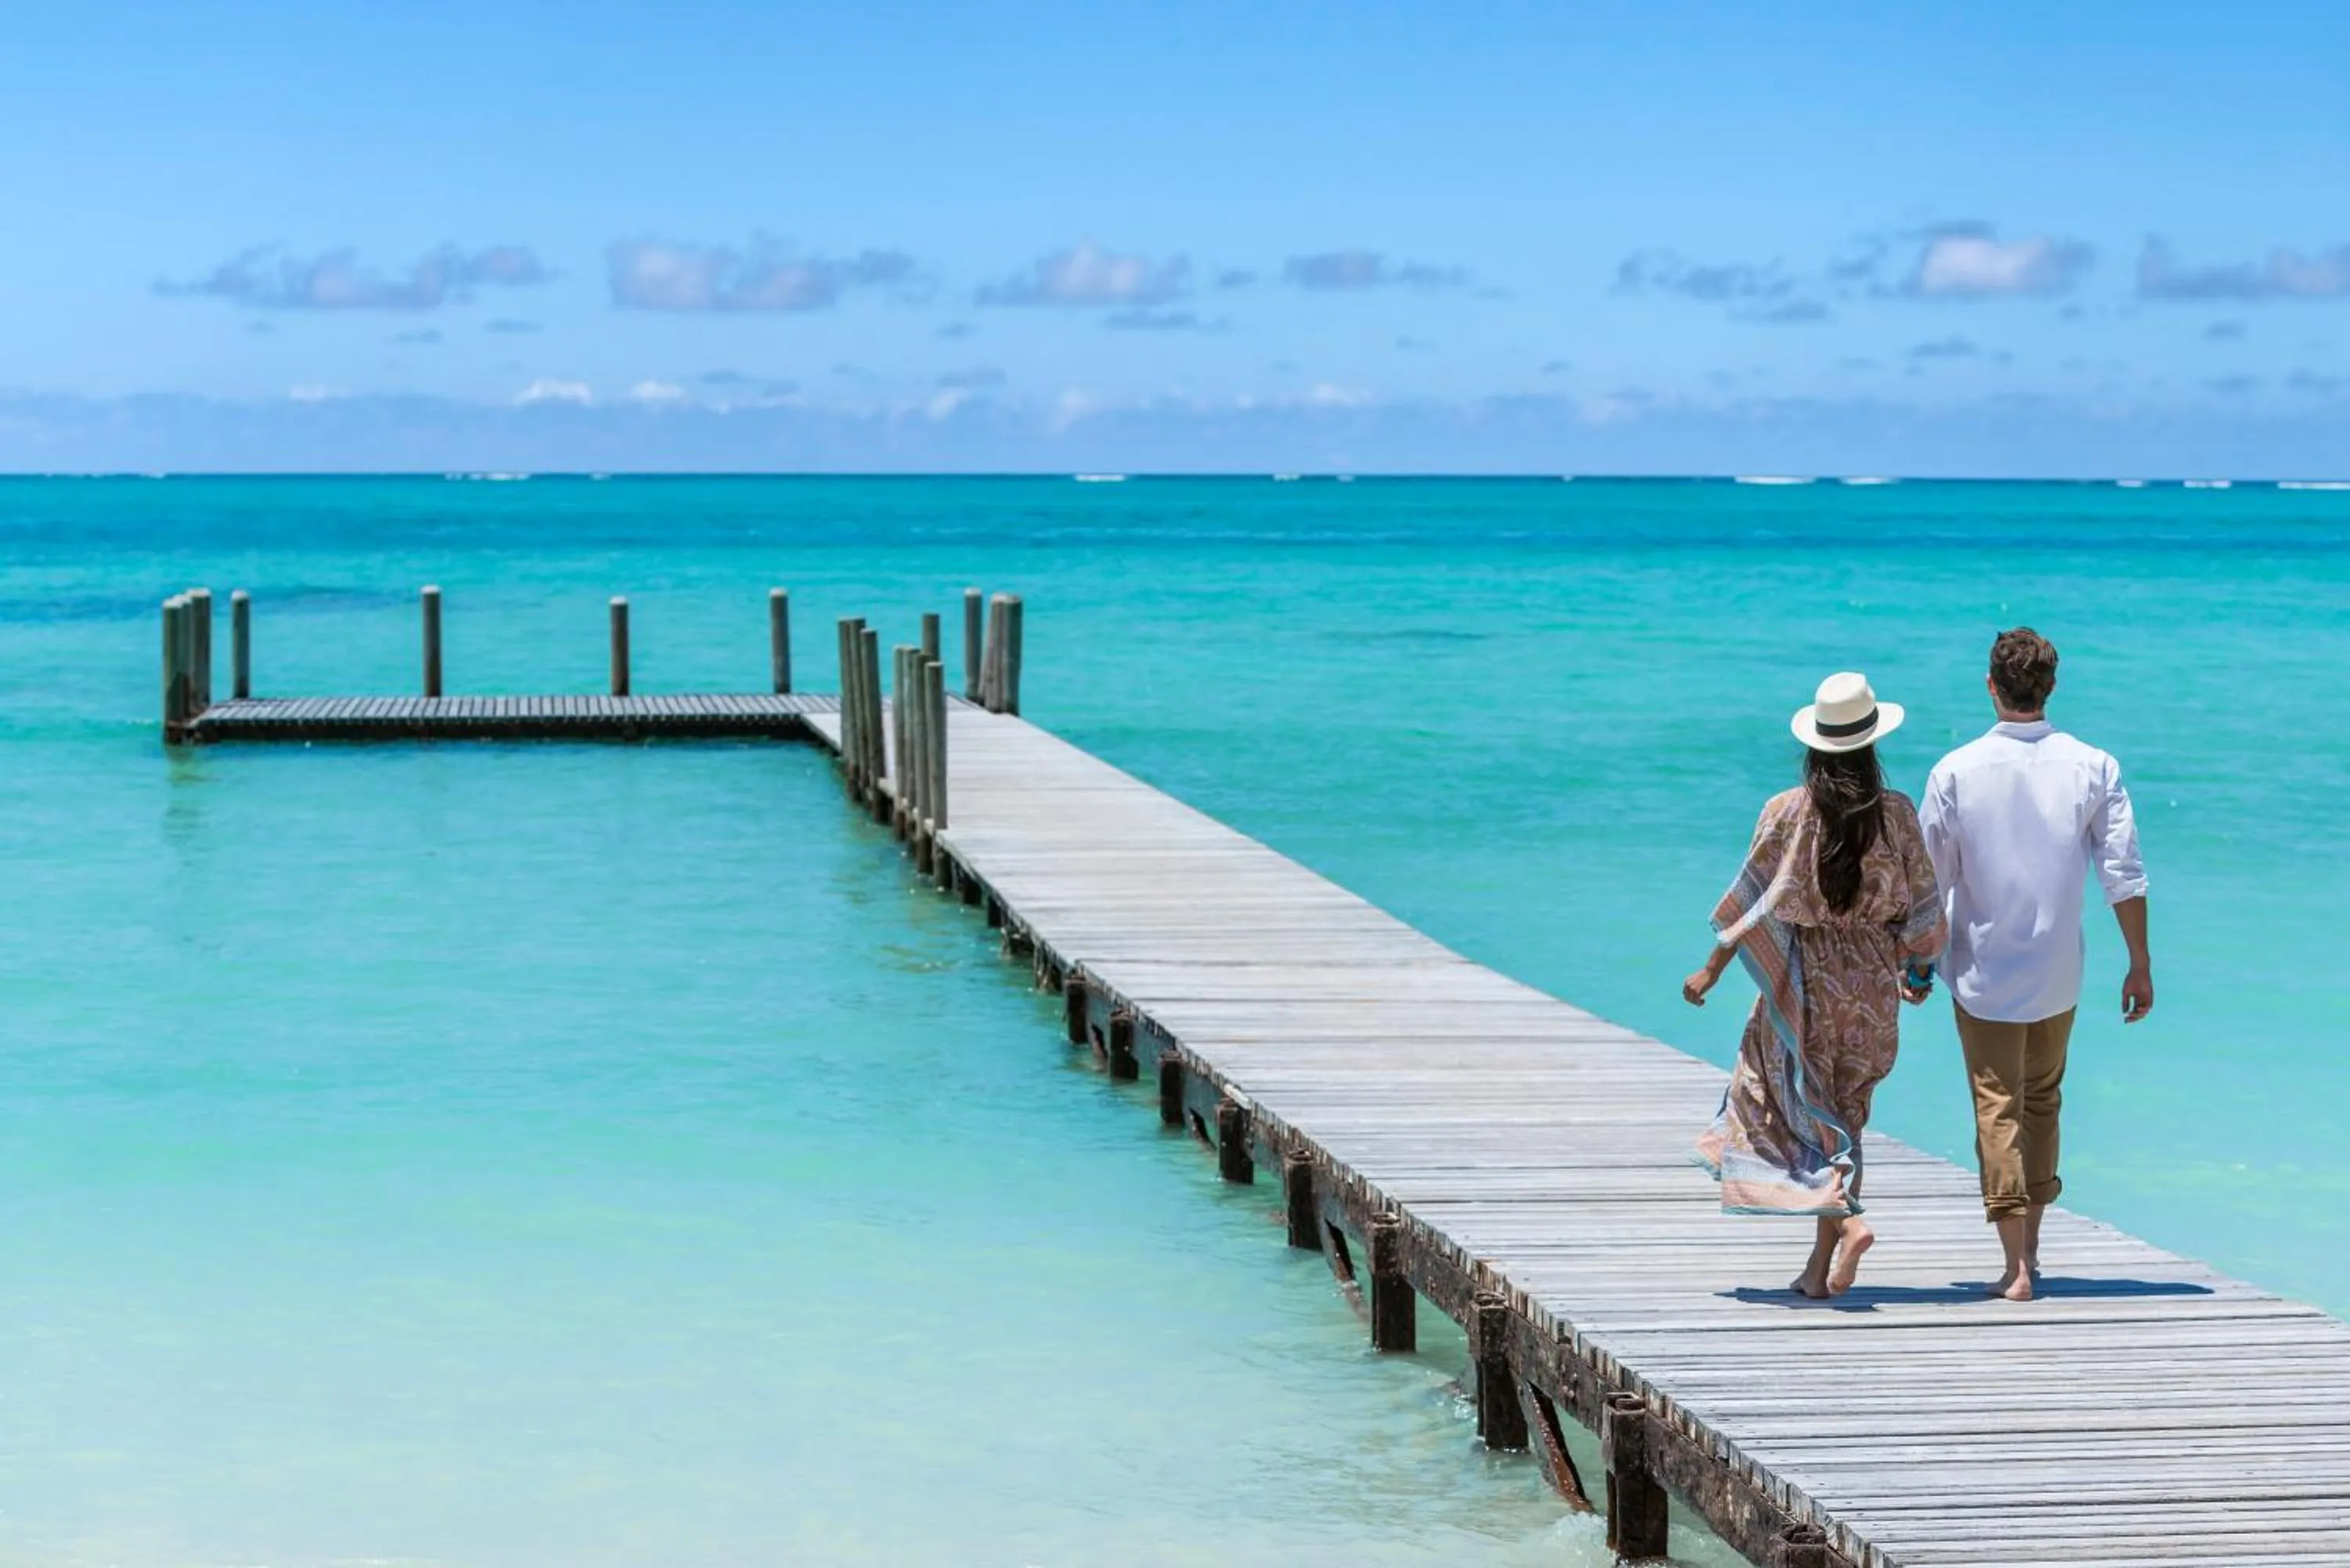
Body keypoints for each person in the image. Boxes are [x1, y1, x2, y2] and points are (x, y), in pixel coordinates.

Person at [1687, 672, 1947, 1298]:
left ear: (1815, 745)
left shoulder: (1786, 811)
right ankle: (1818, 1270)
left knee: (1767, 1099)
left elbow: (1751, 906)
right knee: (1844, 1121)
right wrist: (1916, 971)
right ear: (1871, 743)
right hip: (1872, 985)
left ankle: (1850, 1225)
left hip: (1805, 983)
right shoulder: (1897, 813)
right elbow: (1924, 914)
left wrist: (1711, 970)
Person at [1921, 627, 2150, 1303]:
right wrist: (2138, 963)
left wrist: (1917, 963)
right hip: (2058, 971)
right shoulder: (2094, 765)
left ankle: (2014, 1266)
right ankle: (2032, 1250)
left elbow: (1931, 883)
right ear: (2050, 687)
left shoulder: (1954, 770)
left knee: (1998, 1107)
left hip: (1982, 971)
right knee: (2043, 1101)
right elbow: (2123, 873)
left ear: (1990, 686)